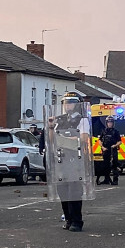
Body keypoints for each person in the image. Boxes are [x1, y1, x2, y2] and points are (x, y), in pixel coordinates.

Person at [47, 91, 91, 232]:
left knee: (74, 191)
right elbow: (52, 140)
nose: (68, 105)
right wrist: (50, 128)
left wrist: (63, 140)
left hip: (75, 159)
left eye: (71, 102)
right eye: (66, 102)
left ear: (77, 104)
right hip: (61, 159)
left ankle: (77, 221)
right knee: (63, 191)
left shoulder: (82, 120)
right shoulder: (59, 120)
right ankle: (68, 219)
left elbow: (83, 139)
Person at [97, 116, 122, 185]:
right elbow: (100, 140)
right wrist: (102, 147)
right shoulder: (103, 131)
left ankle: (115, 180)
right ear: (106, 123)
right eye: (108, 122)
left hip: (113, 150)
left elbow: (120, 141)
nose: (110, 124)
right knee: (106, 165)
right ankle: (106, 179)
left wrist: (115, 145)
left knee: (114, 165)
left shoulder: (116, 132)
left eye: (111, 122)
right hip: (106, 150)